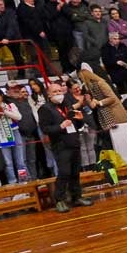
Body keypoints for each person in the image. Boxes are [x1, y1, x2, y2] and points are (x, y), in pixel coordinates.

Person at [37, 80, 91, 212]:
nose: (58, 93)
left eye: (59, 91)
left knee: (75, 172)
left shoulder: (67, 105)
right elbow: (45, 129)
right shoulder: (45, 109)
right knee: (64, 172)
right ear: (49, 95)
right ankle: (60, 199)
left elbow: (75, 125)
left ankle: (76, 196)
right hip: (61, 145)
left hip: (74, 141)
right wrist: (60, 126)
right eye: (54, 92)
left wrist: (79, 120)